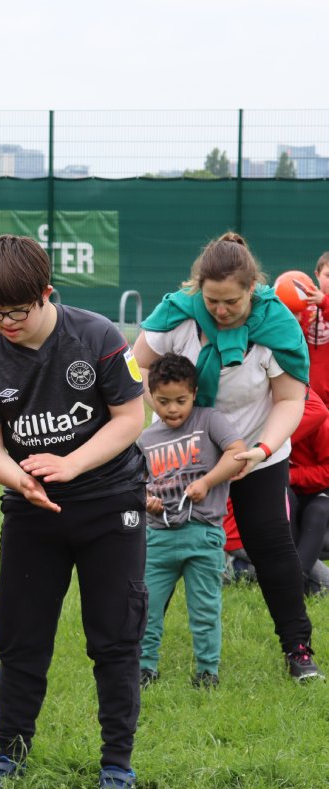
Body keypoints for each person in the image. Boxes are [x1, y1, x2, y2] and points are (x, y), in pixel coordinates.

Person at [0, 235, 148, 789]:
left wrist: (70, 464)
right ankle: (9, 754)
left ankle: (117, 768)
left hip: (110, 503)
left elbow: (130, 419)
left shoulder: (99, 337)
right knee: (21, 637)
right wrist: (19, 479)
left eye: (16, 311)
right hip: (32, 512)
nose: (4, 323)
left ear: (46, 293)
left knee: (115, 637)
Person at [133, 231, 323, 681]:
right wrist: (166, 416)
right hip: (182, 454)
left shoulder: (277, 326)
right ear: (198, 288)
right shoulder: (177, 314)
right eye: (212, 300)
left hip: (255, 452)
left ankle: (297, 650)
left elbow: (290, 400)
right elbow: (136, 364)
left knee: (271, 546)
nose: (220, 311)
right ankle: (136, 652)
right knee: (160, 547)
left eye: (231, 302)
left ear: (252, 289)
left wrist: (260, 451)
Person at [138, 353, 246, 689]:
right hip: (158, 539)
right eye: (163, 402)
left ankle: (207, 671)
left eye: (180, 401)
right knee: (147, 607)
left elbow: (237, 453)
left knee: (204, 608)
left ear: (194, 393)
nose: (172, 409)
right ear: (151, 396)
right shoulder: (145, 439)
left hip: (203, 535)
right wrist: (147, 501)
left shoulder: (209, 420)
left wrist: (207, 482)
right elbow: (136, 485)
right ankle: (144, 667)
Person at [287, 389, 329, 596]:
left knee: (317, 513)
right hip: (287, 492)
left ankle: (297, 579)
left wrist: (293, 476)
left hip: (319, 492)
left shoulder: (319, 422)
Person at [300, 252, 329, 407]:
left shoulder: (323, 301)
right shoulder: (305, 305)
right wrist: (298, 319)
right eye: (328, 275)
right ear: (317, 275)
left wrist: (324, 302)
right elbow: (297, 341)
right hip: (311, 392)